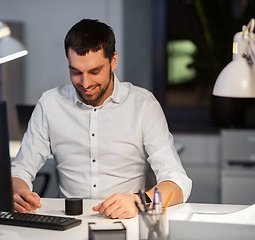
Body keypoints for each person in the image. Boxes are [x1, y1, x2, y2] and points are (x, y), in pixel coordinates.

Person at [11, 19, 192, 219]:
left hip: (129, 220)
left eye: (94, 71)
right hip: (67, 224)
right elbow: (21, 168)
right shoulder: (49, 104)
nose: (85, 83)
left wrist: (139, 201)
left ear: (113, 60)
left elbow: (178, 183)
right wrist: (18, 191)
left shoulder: (143, 105)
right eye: (76, 72)